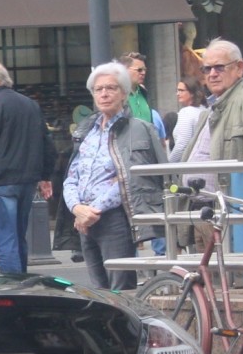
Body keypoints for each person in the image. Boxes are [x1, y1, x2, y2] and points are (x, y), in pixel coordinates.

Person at [63, 62, 168, 291]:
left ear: (124, 92)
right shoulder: (86, 130)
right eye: (98, 89)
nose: (104, 93)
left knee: (121, 290)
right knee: (98, 291)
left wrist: (94, 210)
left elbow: (132, 177)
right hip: (84, 220)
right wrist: (76, 208)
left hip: (114, 218)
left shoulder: (139, 129)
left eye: (111, 88)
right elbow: (72, 175)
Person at [0, 60, 57, 273]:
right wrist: (44, 175)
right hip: (27, 180)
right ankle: (21, 280)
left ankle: (12, 285)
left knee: (5, 237)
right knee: (18, 234)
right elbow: (46, 142)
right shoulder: (30, 105)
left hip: (1, 180)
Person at [170, 77, 207, 162]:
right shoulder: (205, 110)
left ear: (192, 93)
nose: (177, 94)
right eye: (177, 90)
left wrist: (168, 164)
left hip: (190, 165)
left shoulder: (186, 112)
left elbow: (182, 145)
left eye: (181, 90)